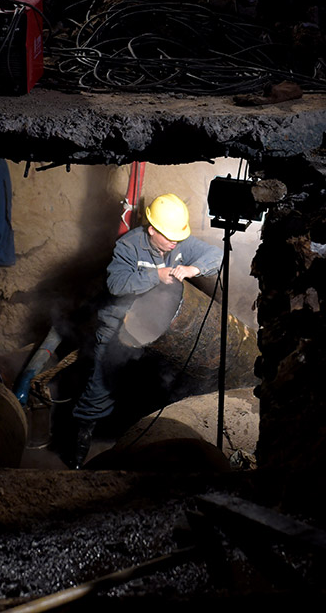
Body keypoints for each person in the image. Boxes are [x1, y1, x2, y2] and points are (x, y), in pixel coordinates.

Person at [68, 193, 222, 468]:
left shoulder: (180, 242)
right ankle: (81, 441)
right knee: (102, 384)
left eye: (178, 236)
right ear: (152, 229)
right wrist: (156, 276)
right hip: (119, 324)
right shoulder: (128, 246)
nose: (174, 241)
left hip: (163, 327)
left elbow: (217, 255)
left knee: (162, 383)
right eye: (168, 236)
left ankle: (151, 444)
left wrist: (192, 268)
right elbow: (116, 285)